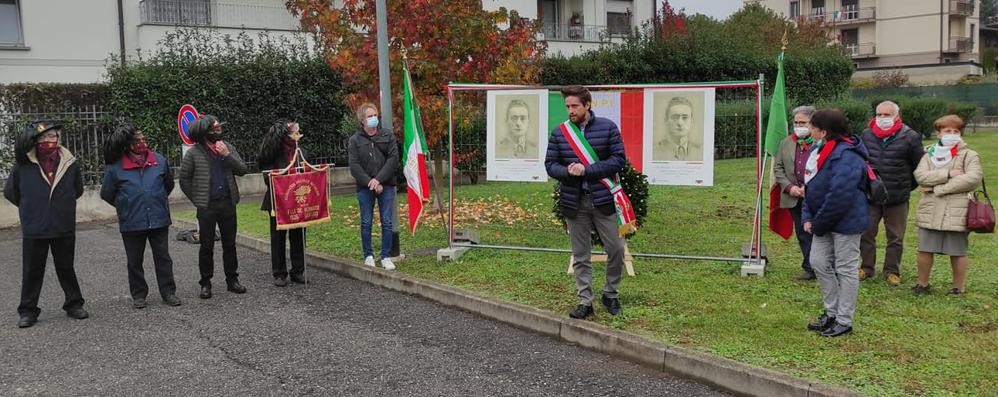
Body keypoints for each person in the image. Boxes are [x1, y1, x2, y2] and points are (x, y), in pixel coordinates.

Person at [545, 85, 627, 320]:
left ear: (588, 105)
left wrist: (587, 169)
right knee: (580, 255)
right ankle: (585, 301)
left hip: (603, 199)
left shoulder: (608, 128)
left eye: (575, 106)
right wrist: (569, 171)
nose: (570, 110)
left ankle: (610, 294)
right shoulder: (560, 133)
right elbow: (550, 165)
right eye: (568, 106)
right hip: (575, 202)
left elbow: (618, 160)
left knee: (616, 250)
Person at [4, 121, 87, 328]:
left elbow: (77, 190)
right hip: (35, 227)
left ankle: (74, 304)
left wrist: (61, 207)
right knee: (32, 270)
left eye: (52, 137)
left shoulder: (70, 164)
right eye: (42, 138)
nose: (48, 142)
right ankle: (28, 310)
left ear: (58, 139)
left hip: (63, 225)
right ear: (35, 141)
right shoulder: (23, 164)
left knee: (66, 267)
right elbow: (11, 192)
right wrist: (31, 209)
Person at [802, 109, 869, 338]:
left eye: (812, 127)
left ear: (824, 131)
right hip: (822, 219)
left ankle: (844, 320)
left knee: (846, 268)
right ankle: (831, 312)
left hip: (846, 221)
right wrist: (808, 217)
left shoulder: (848, 155)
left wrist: (818, 222)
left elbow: (839, 195)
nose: (808, 130)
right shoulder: (817, 149)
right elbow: (809, 187)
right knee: (818, 262)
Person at [100, 124, 182, 308]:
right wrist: (125, 205)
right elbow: (107, 193)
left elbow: (167, 185)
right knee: (134, 260)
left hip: (158, 218)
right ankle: (139, 295)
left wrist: (156, 201)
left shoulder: (159, 161)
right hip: (132, 221)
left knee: (163, 257)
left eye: (144, 139)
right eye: (137, 140)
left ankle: (168, 292)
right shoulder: (116, 167)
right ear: (128, 144)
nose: (142, 143)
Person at [179, 115, 249, 299]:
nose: (219, 131)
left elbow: (242, 170)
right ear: (204, 132)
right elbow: (184, 178)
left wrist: (226, 155)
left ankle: (232, 280)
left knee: (230, 244)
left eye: (219, 128)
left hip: (227, 203)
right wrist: (197, 199)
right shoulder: (193, 153)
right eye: (215, 128)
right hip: (206, 207)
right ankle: (205, 283)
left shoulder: (227, 147)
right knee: (206, 246)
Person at [911, 115, 983, 296]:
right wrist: (949, 173)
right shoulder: (929, 155)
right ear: (938, 133)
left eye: (955, 131)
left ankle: (958, 287)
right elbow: (920, 176)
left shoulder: (969, 155)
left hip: (957, 209)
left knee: (958, 251)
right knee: (925, 248)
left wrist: (941, 189)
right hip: (930, 209)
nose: (951, 134)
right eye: (947, 131)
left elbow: (973, 178)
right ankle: (922, 284)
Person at [859, 100, 923, 286]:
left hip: (897, 196)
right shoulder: (866, 134)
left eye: (886, 115)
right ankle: (867, 268)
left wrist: (904, 187)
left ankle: (891, 271)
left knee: (895, 236)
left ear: (897, 116)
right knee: (866, 232)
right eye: (879, 114)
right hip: (871, 196)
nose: (882, 118)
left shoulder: (910, 136)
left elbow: (918, 167)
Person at [347, 103, 399, 270]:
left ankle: (385, 256)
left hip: (386, 185)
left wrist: (379, 180)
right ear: (362, 120)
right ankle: (368, 255)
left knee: (387, 221)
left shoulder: (387, 135)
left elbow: (393, 160)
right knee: (366, 222)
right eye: (369, 116)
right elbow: (354, 166)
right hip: (365, 187)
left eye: (375, 115)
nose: (373, 118)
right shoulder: (355, 140)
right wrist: (370, 182)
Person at [258, 120, 307, 286]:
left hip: (298, 201)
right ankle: (279, 273)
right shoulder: (273, 152)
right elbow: (267, 175)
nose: (297, 135)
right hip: (278, 200)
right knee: (278, 237)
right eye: (294, 132)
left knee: (299, 235)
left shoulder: (300, 151)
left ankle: (298, 271)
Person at [774, 105, 817, 281]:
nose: (798, 125)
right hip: (794, 196)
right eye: (796, 122)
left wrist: (811, 188)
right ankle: (809, 268)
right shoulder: (786, 143)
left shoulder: (822, 142)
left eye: (803, 122)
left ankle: (825, 267)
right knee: (802, 232)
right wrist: (790, 187)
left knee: (819, 232)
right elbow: (778, 168)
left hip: (815, 196)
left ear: (812, 123)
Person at [655, 96, 702, 161]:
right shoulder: (656, 150)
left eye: (685, 117)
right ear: (666, 121)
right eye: (675, 117)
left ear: (692, 121)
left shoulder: (699, 150)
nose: (680, 123)